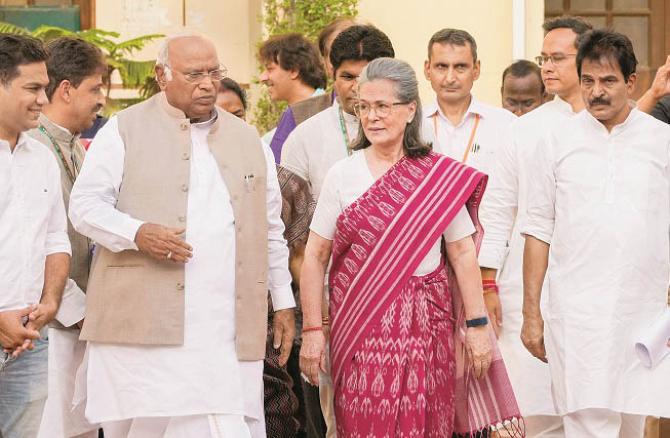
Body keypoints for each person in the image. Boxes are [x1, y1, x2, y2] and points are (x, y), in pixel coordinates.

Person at [68, 33, 296, 438]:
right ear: (162, 76)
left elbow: (271, 227)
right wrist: (137, 232)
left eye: (214, 72)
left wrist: (282, 302)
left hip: (225, 329)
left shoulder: (249, 140)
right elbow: (84, 207)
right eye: (194, 74)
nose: (208, 84)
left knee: (221, 424)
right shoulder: (124, 130)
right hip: (143, 327)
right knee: (141, 427)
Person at [300, 57, 522, 437]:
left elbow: (462, 252)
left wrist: (477, 325)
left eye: (383, 106)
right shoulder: (343, 175)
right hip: (360, 327)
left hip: (427, 328)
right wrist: (312, 330)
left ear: (409, 110)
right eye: (364, 107)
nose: (372, 117)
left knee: (427, 424)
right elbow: (315, 256)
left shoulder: (437, 176)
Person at [522, 29, 670, 437]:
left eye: (608, 81)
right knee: (588, 424)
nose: (596, 92)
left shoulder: (662, 142)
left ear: (631, 83)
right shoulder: (555, 141)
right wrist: (532, 314)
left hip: (643, 312)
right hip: (577, 315)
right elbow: (537, 229)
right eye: (588, 81)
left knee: (632, 424)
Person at [477, 16, 592, 437]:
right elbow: (496, 210)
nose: (546, 66)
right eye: (544, 57)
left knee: (592, 410)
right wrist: (487, 284)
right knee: (528, 414)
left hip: (590, 286)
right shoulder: (523, 129)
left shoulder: (611, 126)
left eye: (558, 57)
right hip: (525, 289)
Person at [281, 24, 395, 438]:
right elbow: (295, 244)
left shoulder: (420, 136)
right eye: (348, 76)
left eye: (368, 76)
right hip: (334, 309)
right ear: (331, 73)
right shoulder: (303, 140)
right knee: (339, 422)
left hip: (406, 307)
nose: (357, 88)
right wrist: (318, 320)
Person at [27, 36, 106, 438]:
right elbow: (39, 242)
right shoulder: (34, 147)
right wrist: (82, 312)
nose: (102, 101)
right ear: (66, 89)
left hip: (77, 321)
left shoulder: (75, 146)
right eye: (95, 88)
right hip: (50, 326)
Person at [0, 34, 71, 438]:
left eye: (45, 87)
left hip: (29, 338)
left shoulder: (40, 157)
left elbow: (55, 238)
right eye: (32, 88)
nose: (44, 99)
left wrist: (49, 302)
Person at [422, 28, 516, 178]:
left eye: (460, 67)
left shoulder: (505, 124)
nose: (450, 78)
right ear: (427, 69)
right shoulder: (411, 125)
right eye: (441, 66)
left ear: (476, 69)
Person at [258, 34, 327, 161]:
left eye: (270, 69)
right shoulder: (286, 122)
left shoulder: (329, 113)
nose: (262, 77)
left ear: (294, 70)